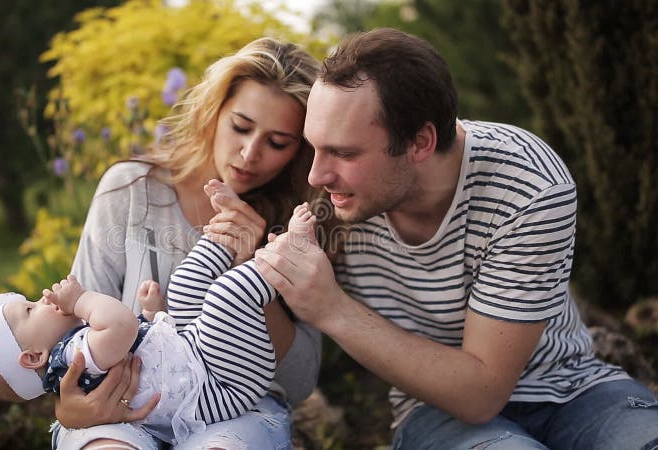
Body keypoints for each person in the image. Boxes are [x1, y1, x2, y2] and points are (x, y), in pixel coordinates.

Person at [255, 28, 658, 449]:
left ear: (420, 143)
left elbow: (482, 391)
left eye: (345, 153)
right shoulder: (323, 198)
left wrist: (330, 307)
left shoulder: (527, 184)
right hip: (433, 412)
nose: (316, 175)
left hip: (576, 389)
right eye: (313, 147)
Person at [52, 37, 323, 450]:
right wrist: (68, 409)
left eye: (277, 142)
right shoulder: (131, 189)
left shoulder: (296, 221)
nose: (250, 154)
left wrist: (254, 266)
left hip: (236, 412)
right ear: (214, 113)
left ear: (299, 150)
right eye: (241, 127)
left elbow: (299, 382)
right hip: (123, 403)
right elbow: (73, 328)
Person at [0, 194, 318, 447]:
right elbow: (120, 327)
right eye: (32, 309)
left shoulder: (83, 350)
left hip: (201, 363)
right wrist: (79, 300)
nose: (43, 298)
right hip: (219, 386)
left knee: (183, 287)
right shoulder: (74, 356)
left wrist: (153, 315)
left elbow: (147, 354)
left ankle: (221, 238)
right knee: (223, 295)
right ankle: (288, 255)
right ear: (34, 356)